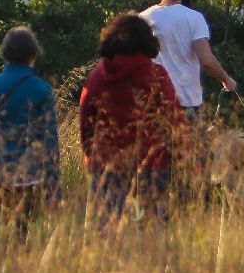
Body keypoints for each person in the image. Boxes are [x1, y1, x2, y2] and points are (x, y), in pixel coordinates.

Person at [78, 12, 192, 220]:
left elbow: (86, 124)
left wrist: (92, 159)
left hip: (108, 166)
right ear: (146, 41)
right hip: (152, 165)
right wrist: (185, 157)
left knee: (108, 232)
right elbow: (174, 119)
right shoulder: (156, 75)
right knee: (151, 233)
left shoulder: (96, 78)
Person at [0, 26, 62, 229]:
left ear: (5, 54)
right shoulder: (41, 90)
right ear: (32, 55)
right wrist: (53, 189)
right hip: (29, 176)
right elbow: (49, 144)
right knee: (22, 233)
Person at [141, 0, 237, 125]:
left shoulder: (143, 18)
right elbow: (206, 61)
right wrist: (226, 80)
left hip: (151, 103)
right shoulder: (194, 18)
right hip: (185, 102)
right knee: (190, 149)